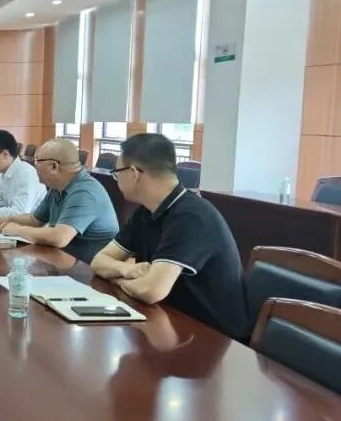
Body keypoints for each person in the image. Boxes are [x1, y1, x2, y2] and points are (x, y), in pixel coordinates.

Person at [90, 133, 250, 340]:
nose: (116, 179)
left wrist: (117, 279)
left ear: (134, 173)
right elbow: (98, 261)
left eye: (117, 173)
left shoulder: (191, 216)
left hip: (214, 338)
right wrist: (126, 269)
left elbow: (151, 290)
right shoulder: (146, 212)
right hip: (170, 321)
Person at [0, 139, 119, 262]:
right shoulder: (57, 186)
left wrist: (17, 230)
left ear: (54, 166)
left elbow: (59, 237)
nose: (33, 165)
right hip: (66, 260)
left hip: (88, 268)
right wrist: (9, 219)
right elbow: (35, 220)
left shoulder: (84, 192)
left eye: (37, 161)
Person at [0, 129, 47, 217]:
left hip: (35, 224)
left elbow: (19, 213)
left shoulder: (26, 174)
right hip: (12, 223)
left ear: (5, 154)